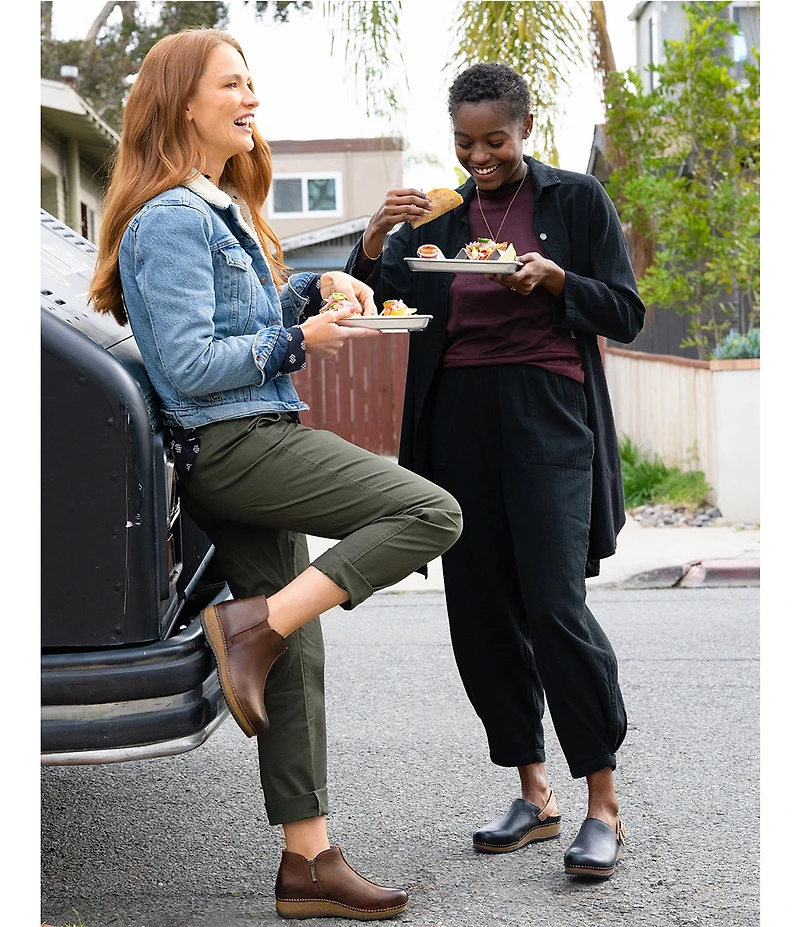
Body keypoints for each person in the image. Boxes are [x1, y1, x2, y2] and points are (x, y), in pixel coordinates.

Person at [88, 28, 463, 920]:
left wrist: (317, 293)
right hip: (237, 447)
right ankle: (249, 628)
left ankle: (307, 861)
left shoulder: (213, 207)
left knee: (299, 652)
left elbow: (232, 322)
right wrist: (301, 340)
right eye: (234, 84)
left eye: (253, 84)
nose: (252, 98)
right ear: (184, 102)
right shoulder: (171, 218)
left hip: (251, 437)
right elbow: (188, 363)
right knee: (431, 511)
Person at [345, 61, 646, 880]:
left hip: (549, 413)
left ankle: (603, 802)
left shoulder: (575, 200)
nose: (480, 157)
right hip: (456, 422)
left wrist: (558, 281)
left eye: (496, 141)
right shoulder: (438, 218)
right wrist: (375, 237)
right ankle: (533, 790)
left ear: (526, 128)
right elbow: (369, 297)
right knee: (480, 611)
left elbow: (625, 308)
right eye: (465, 143)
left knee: (554, 605)